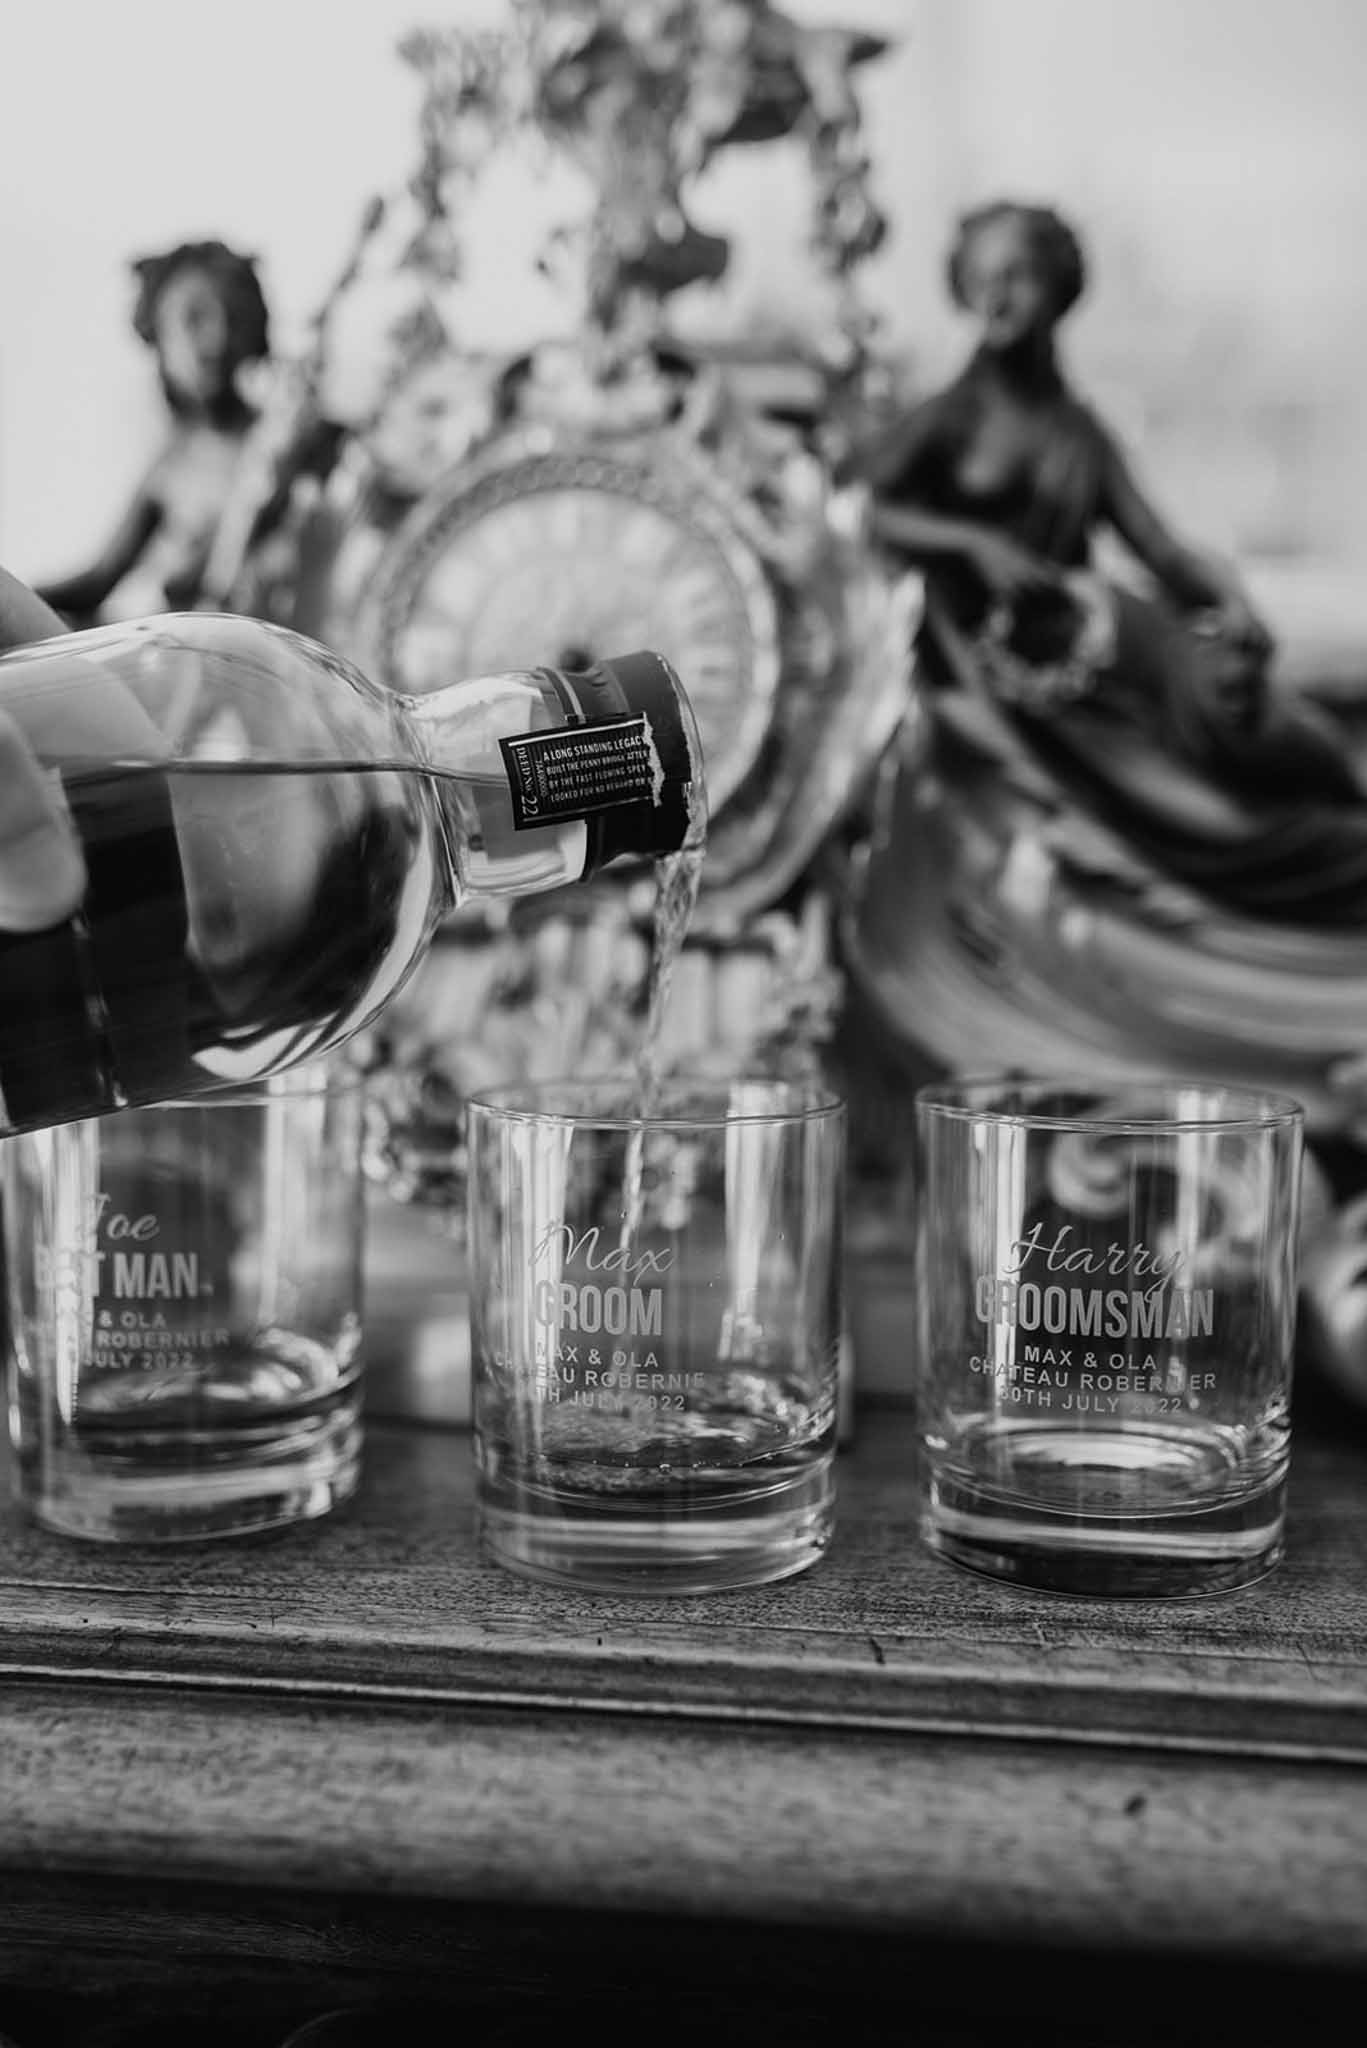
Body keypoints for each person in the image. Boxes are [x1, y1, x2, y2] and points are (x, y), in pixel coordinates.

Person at [859, 198, 1367, 926]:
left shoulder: (1078, 431)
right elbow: (861, 507)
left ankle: (1343, 793)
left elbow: (1157, 547)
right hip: (1032, 687)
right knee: (1218, 825)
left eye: (1016, 275)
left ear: (1055, 287)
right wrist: (973, 543)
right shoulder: (952, 416)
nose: (996, 297)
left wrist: (1231, 600)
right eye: (979, 279)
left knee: (1245, 713)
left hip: (1116, 640)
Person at [35, 240, 271, 627]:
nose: (216, 339)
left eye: (234, 316)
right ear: (157, 333)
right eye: (193, 319)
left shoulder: (289, 441)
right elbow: (98, 581)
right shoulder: (173, 464)